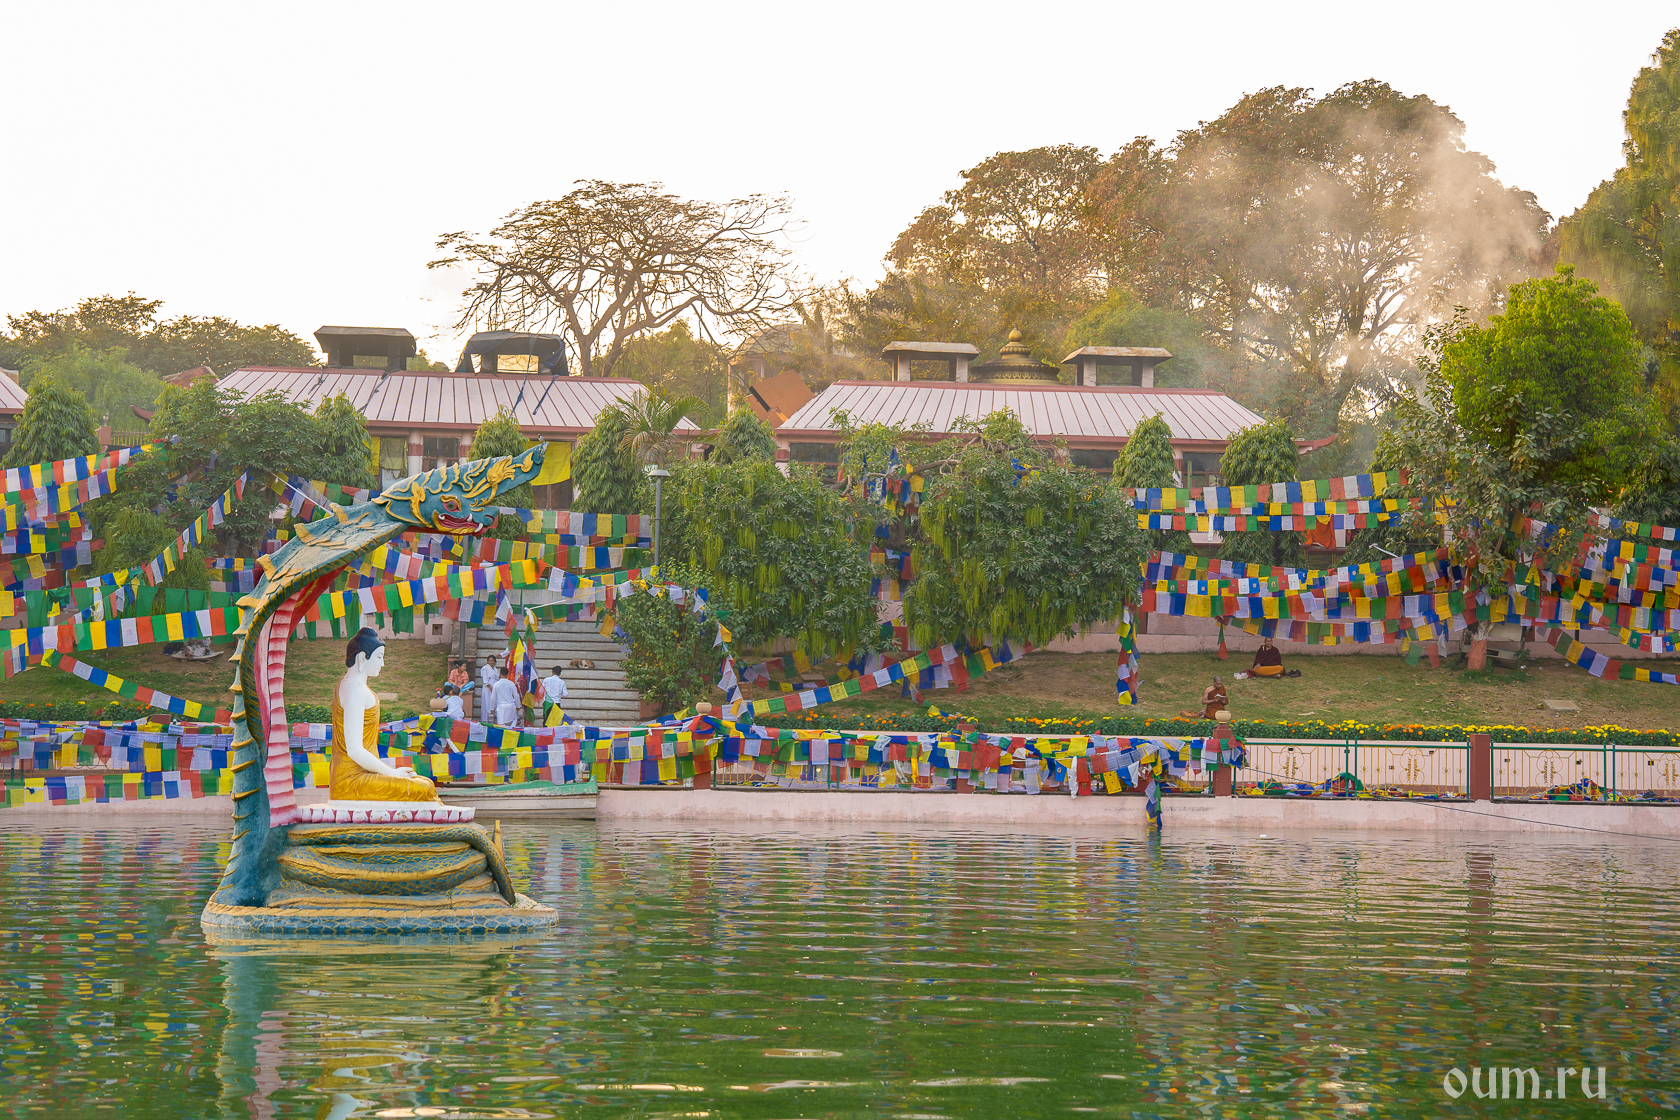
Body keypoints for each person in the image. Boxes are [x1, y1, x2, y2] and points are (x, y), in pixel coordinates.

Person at [330, 627, 438, 802]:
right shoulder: (354, 690)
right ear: (362, 658)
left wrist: (389, 773)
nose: (382, 664)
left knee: (421, 782)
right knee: (424, 788)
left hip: (363, 774)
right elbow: (354, 750)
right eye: (379, 657)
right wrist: (391, 773)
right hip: (352, 780)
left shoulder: (349, 685)